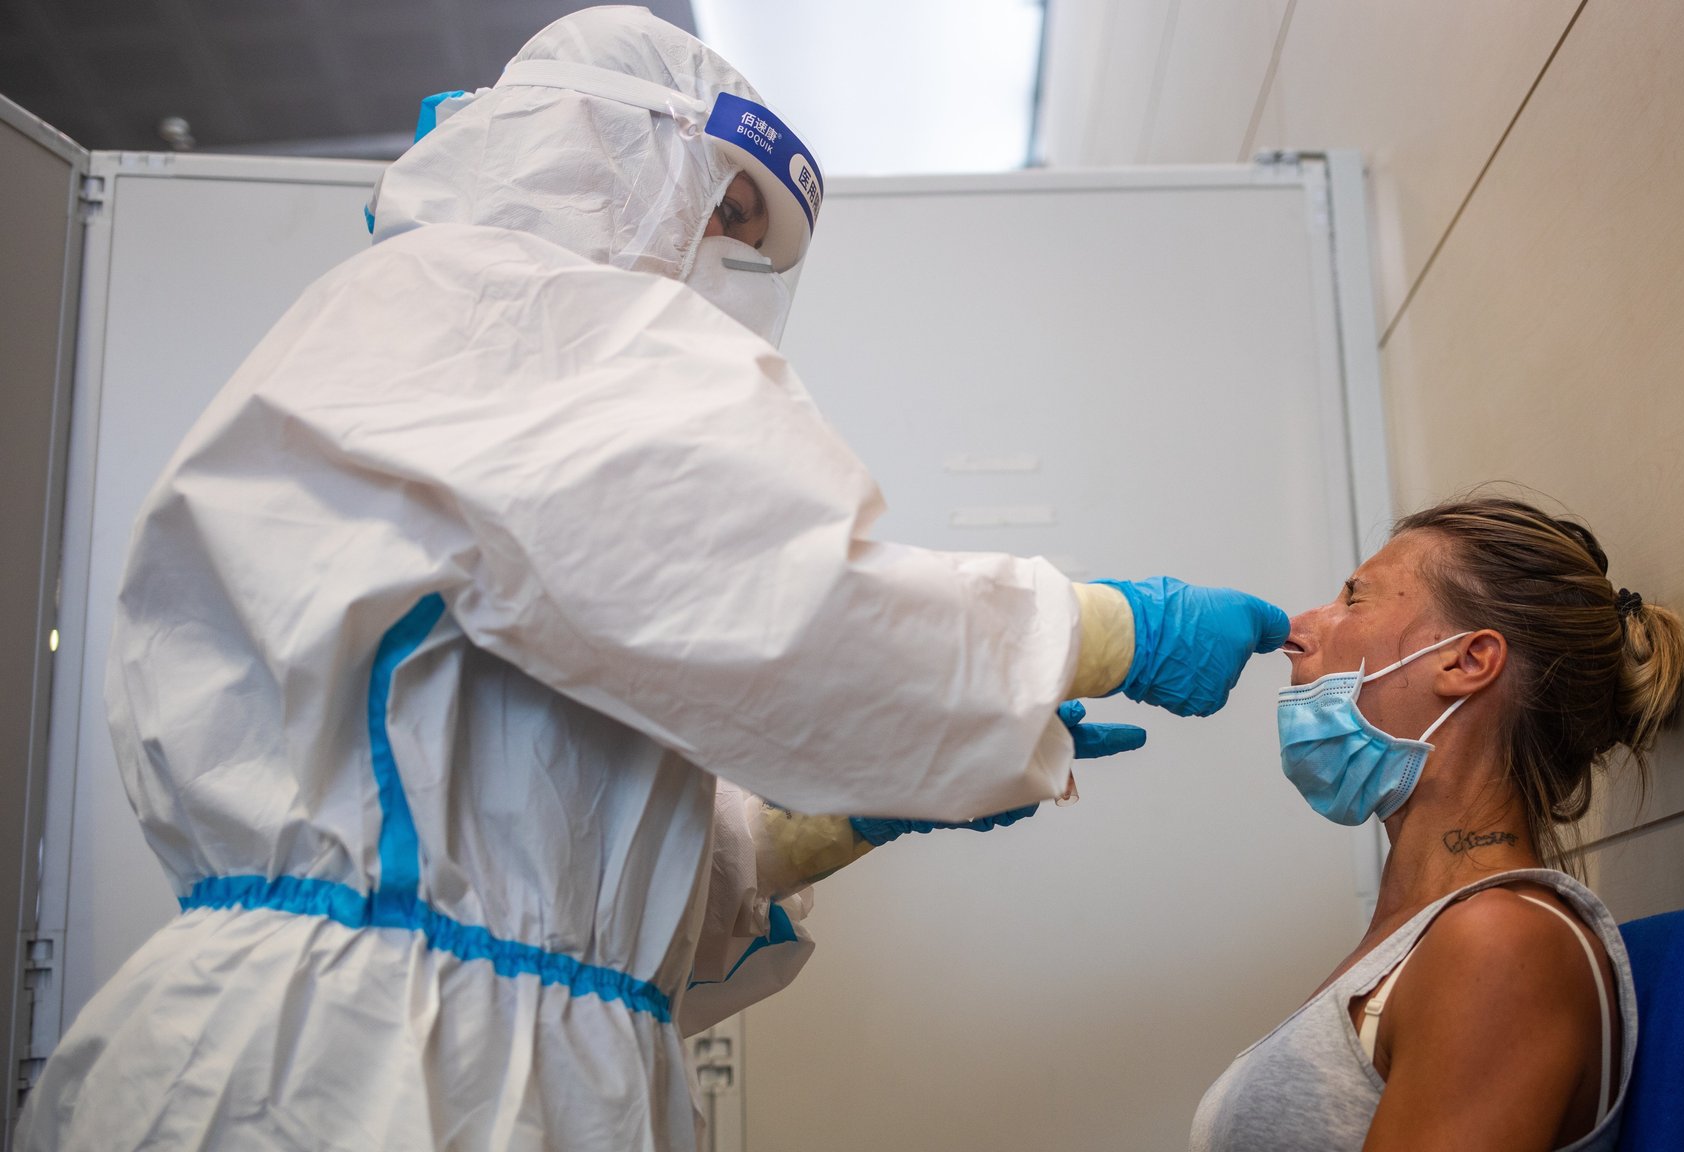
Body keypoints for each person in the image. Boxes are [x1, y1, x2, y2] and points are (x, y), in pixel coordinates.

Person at [16, 8, 1288, 1150]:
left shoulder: (456, 330)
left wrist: (832, 824)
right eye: (721, 205)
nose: (721, 253)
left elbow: (557, 831)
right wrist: (1111, 626)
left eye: (746, 233)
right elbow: (793, 615)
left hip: (414, 1041)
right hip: (362, 1072)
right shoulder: (513, 316)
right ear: (603, 152)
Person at [1191, 496, 1684, 1152]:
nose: (1299, 627)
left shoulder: (1501, 943)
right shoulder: (1415, 936)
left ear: (1466, 662)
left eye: (1353, 599)